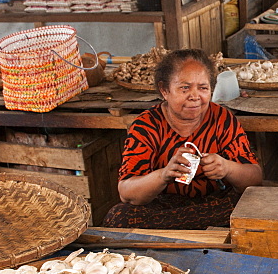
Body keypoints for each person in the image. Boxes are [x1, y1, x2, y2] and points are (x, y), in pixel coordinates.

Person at [104, 49, 263, 230]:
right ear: (165, 90)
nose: (195, 96)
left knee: (256, 205)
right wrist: (164, 175)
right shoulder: (146, 125)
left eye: (203, 88)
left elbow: (255, 178)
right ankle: (201, 230)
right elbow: (127, 193)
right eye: (184, 88)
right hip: (165, 208)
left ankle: (177, 233)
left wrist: (227, 168)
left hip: (215, 204)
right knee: (118, 217)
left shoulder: (221, 118)